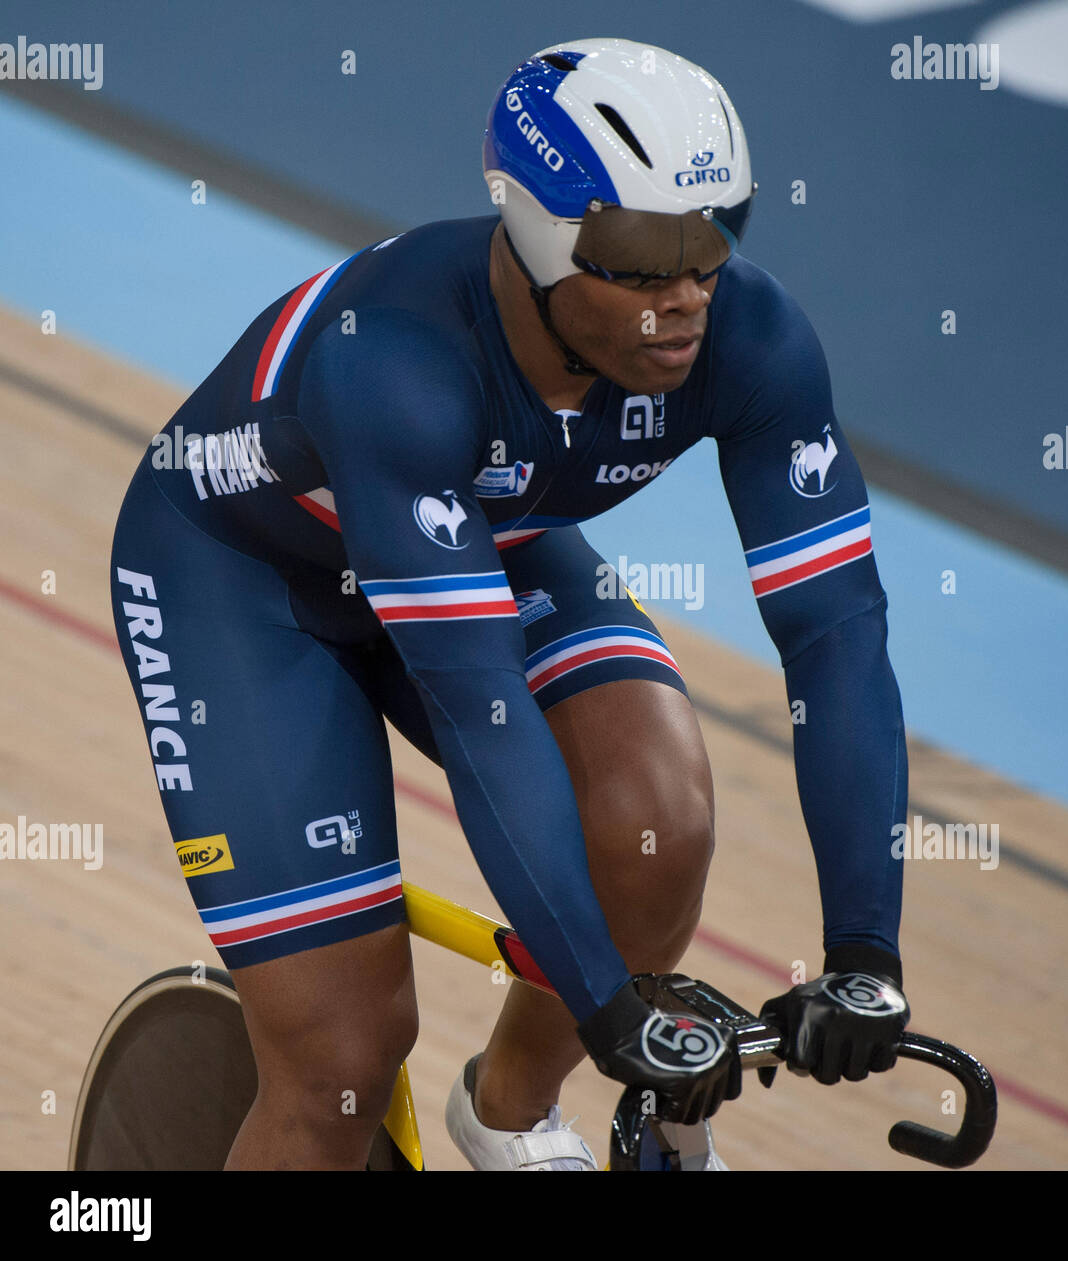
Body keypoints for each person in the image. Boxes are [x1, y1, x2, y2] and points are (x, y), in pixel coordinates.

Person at [108, 37, 910, 1172]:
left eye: (715, 236)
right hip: (240, 583)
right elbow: (484, 707)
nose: (686, 296)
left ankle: (512, 1114)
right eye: (639, 257)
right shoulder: (391, 361)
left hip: (478, 539)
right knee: (342, 1061)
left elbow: (837, 638)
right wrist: (604, 1000)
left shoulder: (751, 335)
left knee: (657, 818)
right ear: (540, 233)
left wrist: (864, 948)